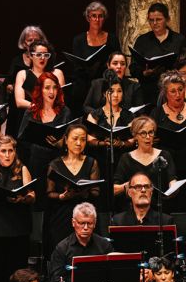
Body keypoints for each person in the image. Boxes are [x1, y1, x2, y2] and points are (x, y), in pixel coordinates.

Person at [17, 71, 72, 209]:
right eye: (47, 87)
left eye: (55, 87)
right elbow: (22, 139)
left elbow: (71, 138)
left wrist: (62, 143)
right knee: (39, 205)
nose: (51, 91)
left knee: (56, 205)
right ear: (40, 90)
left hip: (58, 165)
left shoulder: (65, 111)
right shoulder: (31, 111)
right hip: (36, 163)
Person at [46, 124, 100, 256]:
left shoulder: (91, 162)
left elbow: (96, 191)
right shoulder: (55, 164)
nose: (79, 143)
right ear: (66, 139)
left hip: (85, 216)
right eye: (75, 138)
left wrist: (85, 193)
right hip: (62, 215)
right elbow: (49, 193)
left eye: (83, 139)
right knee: (62, 255)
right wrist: (61, 197)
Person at [0, 137, 35, 282]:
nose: (7, 154)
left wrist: (23, 198)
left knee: (17, 271)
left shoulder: (22, 169)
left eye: (10, 150)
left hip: (18, 227)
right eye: (3, 151)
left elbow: (33, 195)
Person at [86, 76, 135, 214]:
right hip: (101, 160)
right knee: (102, 199)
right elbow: (89, 139)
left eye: (119, 91)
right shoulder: (95, 115)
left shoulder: (128, 115)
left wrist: (122, 143)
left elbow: (133, 139)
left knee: (120, 199)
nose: (115, 95)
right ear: (104, 93)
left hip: (121, 160)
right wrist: (102, 143)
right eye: (111, 91)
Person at [150, 70, 186, 181]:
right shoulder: (156, 114)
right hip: (165, 167)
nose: (178, 94)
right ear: (165, 93)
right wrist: (150, 140)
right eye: (173, 91)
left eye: (180, 90)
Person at [69, 1, 121, 115]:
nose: (97, 20)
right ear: (88, 18)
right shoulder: (79, 40)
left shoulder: (112, 39)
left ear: (104, 18)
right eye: (94, 16)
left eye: (100, 16)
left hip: (104, 86)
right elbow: (77, 66)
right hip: (83, 86)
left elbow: (117, 61)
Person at [112, 116, 177, 205]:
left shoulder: (164, 155)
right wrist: (128, 185)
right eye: (143, 133)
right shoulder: (126, 158)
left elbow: (172, 180)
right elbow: (114, 189)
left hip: (159, 207)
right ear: (135, 136)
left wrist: (173, 188)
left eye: (151, 132)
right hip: (133, 208)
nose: (148, 137)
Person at [130, 2, 186, 103]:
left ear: (167, 19)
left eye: (158, 19)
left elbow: (185, 65)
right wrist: (144, 72)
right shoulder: (142, 40)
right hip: (148, 92)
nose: (155, 23)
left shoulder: (178, 39)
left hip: (172, 92)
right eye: (151, 20)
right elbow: (133, 68)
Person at [4, 26, 49, 135]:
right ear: (24, 43)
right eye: (30, 40)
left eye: (36, 40)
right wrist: (12, 87)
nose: (33, 42)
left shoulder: (47, 62)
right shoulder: (17, 63)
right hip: (22, 105)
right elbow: (8, 82)